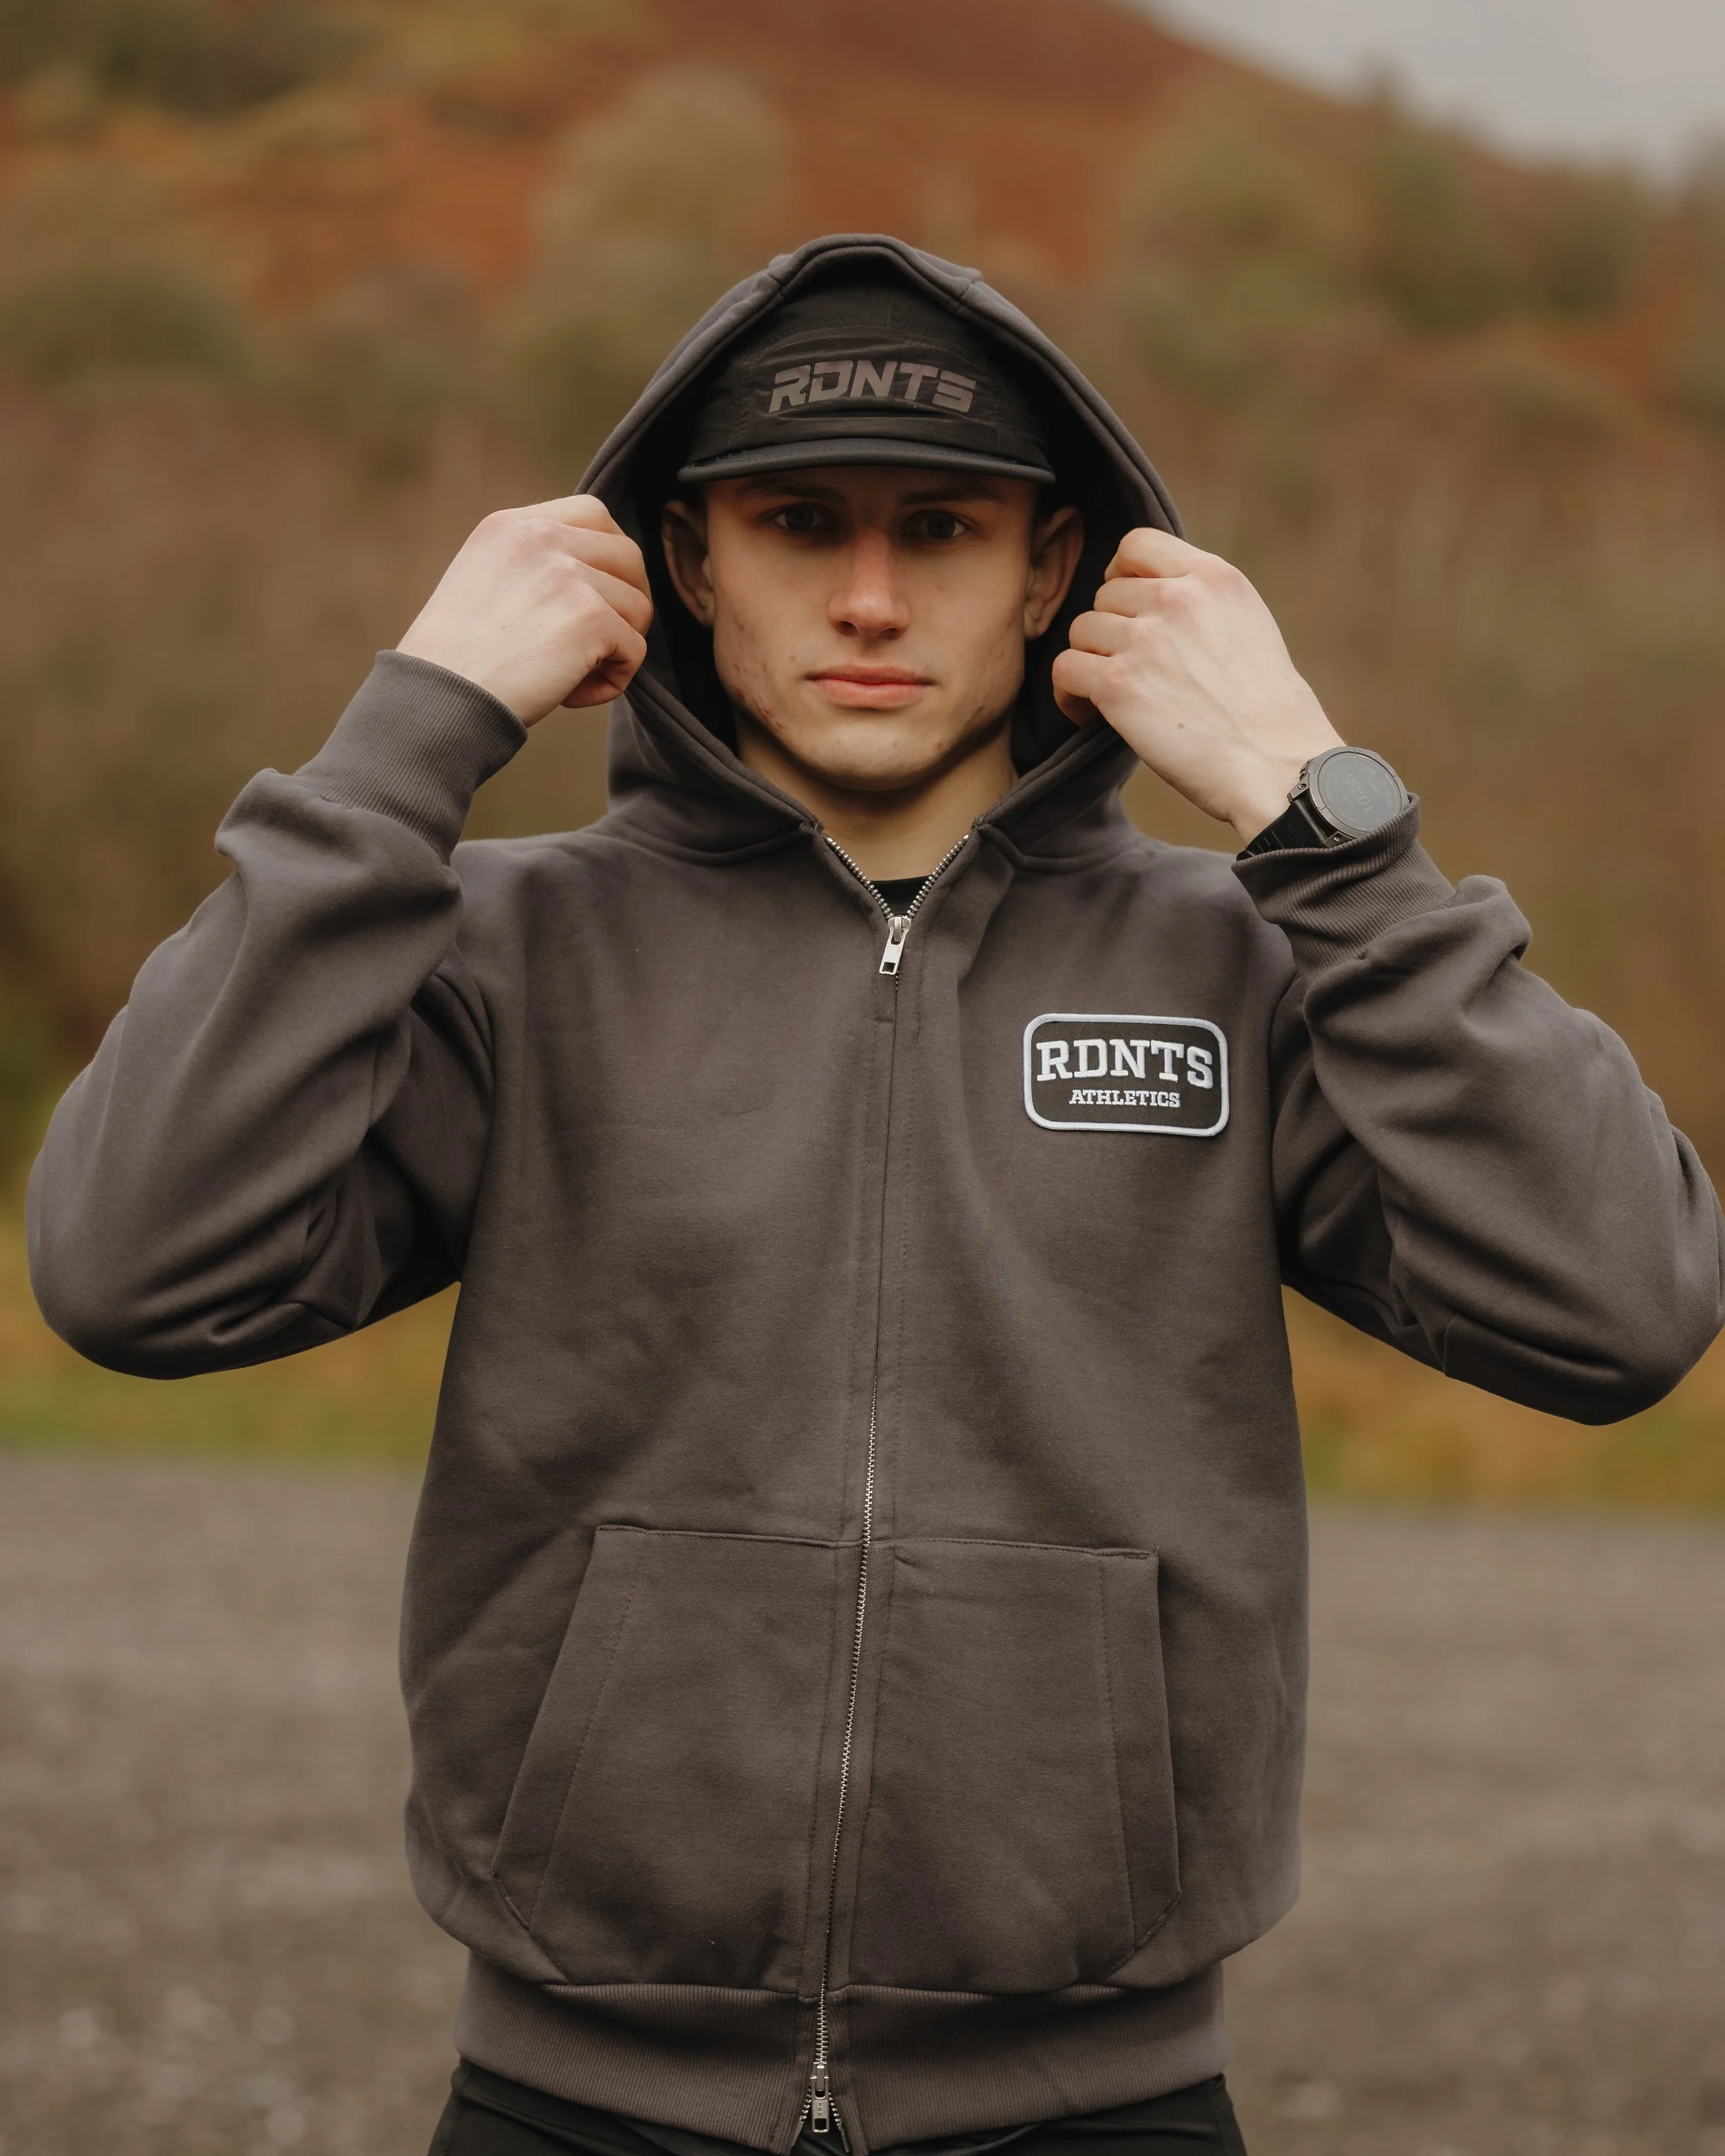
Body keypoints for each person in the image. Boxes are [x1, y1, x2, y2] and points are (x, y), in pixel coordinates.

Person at [28, 235, 1723, 2156]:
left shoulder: (1242, 960)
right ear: (683, 562)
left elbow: (1625, 1301)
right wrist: (412, 731)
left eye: (937, 527)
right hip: (571, 2101)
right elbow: (126, 1266)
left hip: (1104, 2104)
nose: (863, 594)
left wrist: (1316, 818)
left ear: (1051, 569)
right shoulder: (505, 950)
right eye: (794, 521)